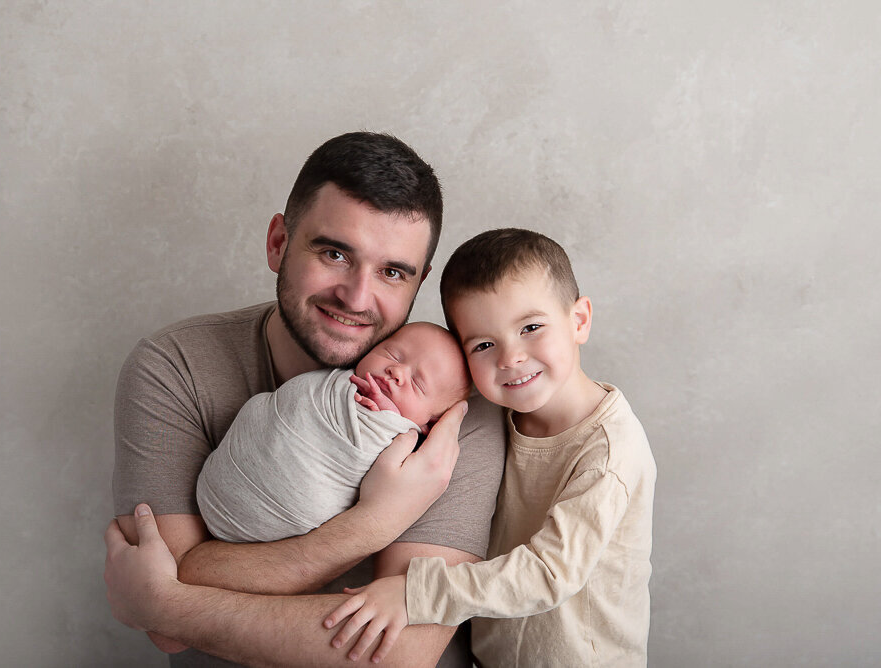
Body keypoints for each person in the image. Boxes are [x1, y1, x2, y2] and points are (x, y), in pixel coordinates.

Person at [104, 132, 506, 666]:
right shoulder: (173, 366)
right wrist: (374, 524)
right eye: (335, 253)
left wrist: (166, 604)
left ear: (418, 283)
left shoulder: (453, 403)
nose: (357, 298)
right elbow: (174, 597)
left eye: (392, 272)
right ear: (278, 243)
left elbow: (402, 652)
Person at [323, 228, 656, 667]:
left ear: (578, 321)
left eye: (531, 327)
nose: (510, 358)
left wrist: (413, 593)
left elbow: (548, 574)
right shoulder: (490, 411)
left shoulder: (609, 451)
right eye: (484, 344)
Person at [198, 321, 471, 543]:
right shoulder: (335, 379)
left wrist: (385, 417)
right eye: (392, 354)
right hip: (220, 483)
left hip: (279, 517)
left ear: (429, 425)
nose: (396, 371)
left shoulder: (406, 439)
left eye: (418, 383)